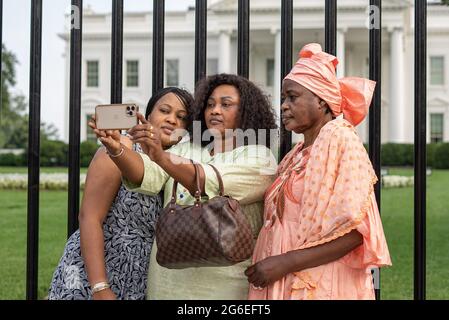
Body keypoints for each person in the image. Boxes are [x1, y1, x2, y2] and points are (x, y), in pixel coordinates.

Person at [90, 74, 278, 299]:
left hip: (223, 288)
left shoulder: (259, 157)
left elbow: (208, 180)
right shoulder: (187, 149)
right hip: (166, 285)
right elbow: (148, 174)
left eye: (225, 104)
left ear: (247, 111)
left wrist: (160, 156)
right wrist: (116, 150)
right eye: (209, 105)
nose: (215, 111)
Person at [246, 43, 391, 300]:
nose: (283, 106)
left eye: (292, 97)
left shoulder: (339, 138)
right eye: (283, 98)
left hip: (319, 282)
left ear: (322, 101)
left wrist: (284, 262)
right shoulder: (296, 154)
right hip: (281, 276)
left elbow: (357, 232)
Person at [48, 87, 194, 300]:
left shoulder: (177, 163)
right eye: (165, 110)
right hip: (97, 269)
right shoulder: (122, 147)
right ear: (148, 115)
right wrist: (99, 286)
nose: (172, 120)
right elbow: (89, 218)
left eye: (181, 118)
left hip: (142, 277)